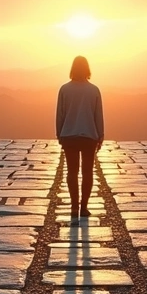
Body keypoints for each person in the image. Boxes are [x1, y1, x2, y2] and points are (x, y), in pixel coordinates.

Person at [55, 55, 104, 220]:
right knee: (88, 172)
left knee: (72, 172)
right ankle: (84, 207)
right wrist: (100, 135)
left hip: (69, 135)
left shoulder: (64, 89)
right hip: (89, 135)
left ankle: (74, 206)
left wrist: (59, 134)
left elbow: (60, 115)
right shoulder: (94, 90)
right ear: (87, 69)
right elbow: (98, 115)